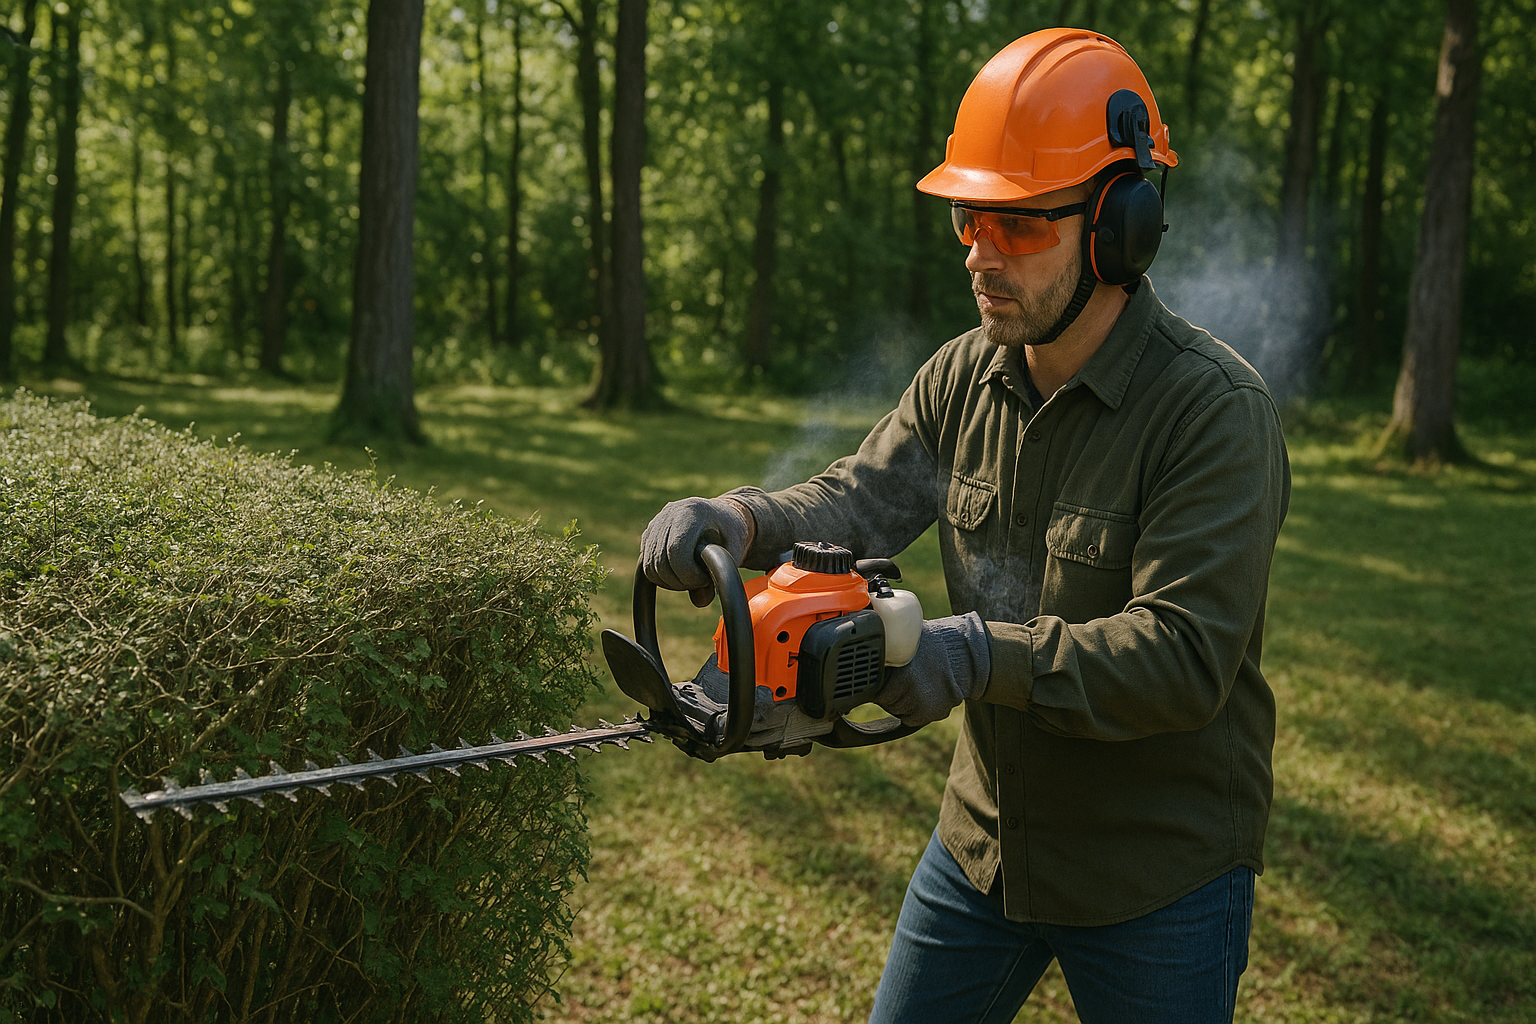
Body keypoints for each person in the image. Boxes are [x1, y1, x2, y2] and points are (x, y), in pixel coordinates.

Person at [639, 28, 1290, 1024]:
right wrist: (735, 517)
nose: (983, 255)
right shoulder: (962, 375)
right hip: (986, 842)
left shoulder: (1214, 412)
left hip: (1157, 873)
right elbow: (860, 500)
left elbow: (1184, 656)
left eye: (1019, 225)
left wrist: (978, 654)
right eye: (969, 221)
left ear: (1123, 226)